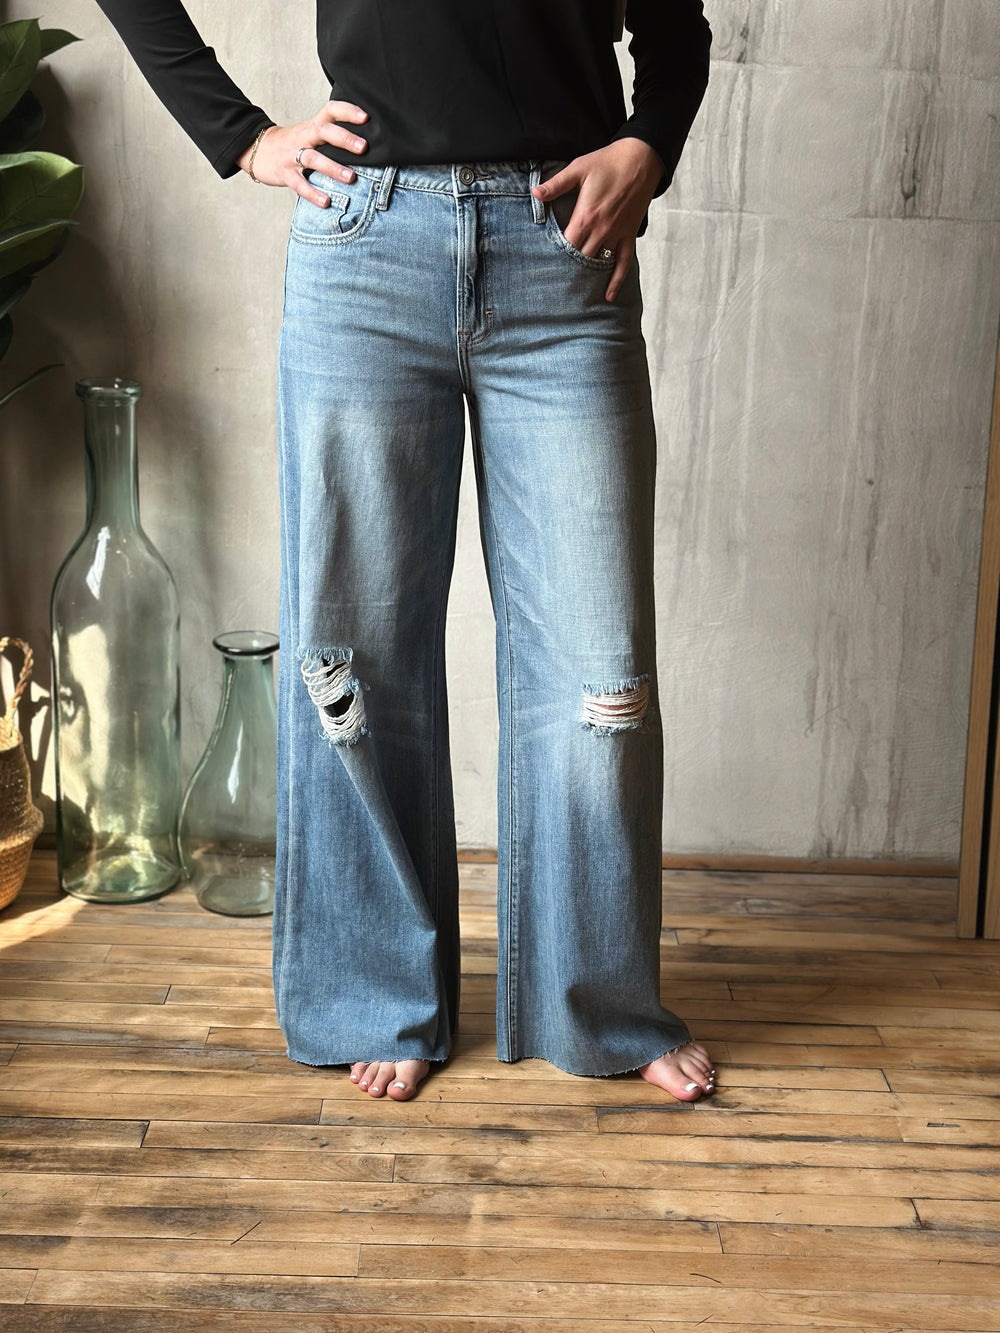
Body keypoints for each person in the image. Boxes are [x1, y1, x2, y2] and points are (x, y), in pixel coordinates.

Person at [94, 0, 717, 1104]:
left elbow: (673, 27)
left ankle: (602, 1001)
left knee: (598, 671)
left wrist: (647, 143)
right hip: (364, 245)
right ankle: (376, 989)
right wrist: (240, 134)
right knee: (354, 660)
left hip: (561, 251)